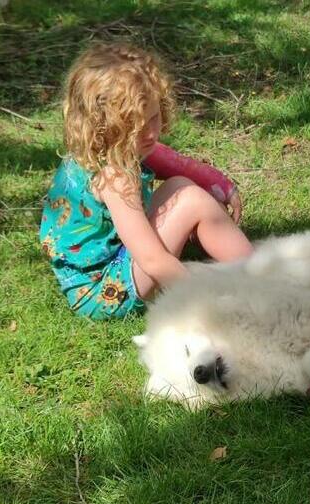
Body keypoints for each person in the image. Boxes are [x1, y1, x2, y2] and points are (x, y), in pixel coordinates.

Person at [39, 42, 253, 320]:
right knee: (191, 201)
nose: (151, 133)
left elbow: (163, 158)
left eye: (153, 117)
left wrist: (217, 183)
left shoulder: (102, 146)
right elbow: (152, 260)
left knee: (181, 187)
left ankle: (253, 268)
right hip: (105, 293)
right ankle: (260, 276)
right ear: (105, 127)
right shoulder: (115, 178)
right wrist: (207, 303)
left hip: (91, 273)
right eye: (136, 128)